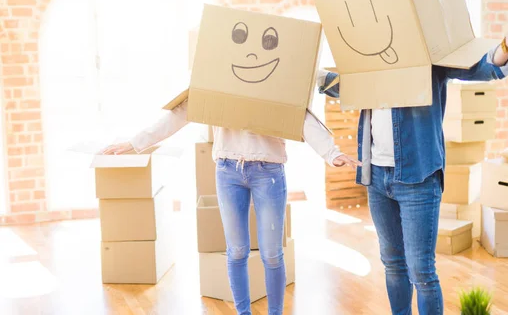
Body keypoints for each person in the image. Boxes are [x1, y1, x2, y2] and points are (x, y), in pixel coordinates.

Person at [319, 8, 508, 314]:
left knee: (422, 272)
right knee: (392, 263)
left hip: (418, 178)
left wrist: (507, 45)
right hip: (376, 175)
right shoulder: (369, 62)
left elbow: (481, 69)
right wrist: (311, 72)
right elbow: (340, 86)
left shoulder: (430, 58)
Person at [102, 71, 360, 315]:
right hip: (228, 170)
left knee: (272, 253)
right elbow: (182, 112)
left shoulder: (278, 70)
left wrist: (331, 153)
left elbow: (300, 114)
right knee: (236, 250)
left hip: (267, 170)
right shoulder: (219, 71)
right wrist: (135, 143)